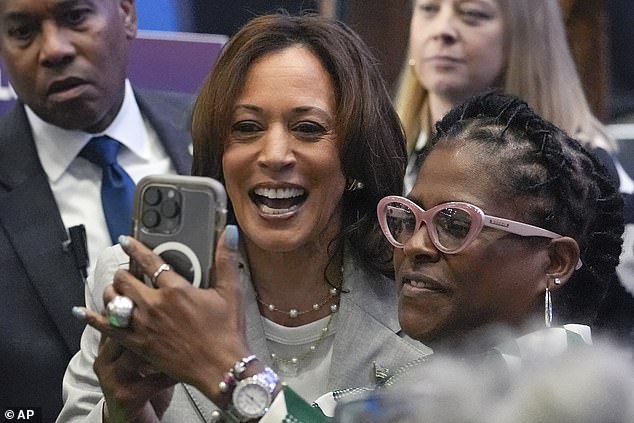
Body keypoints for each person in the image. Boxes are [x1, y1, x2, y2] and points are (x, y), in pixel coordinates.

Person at [70, 90, 626, 423]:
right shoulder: (412, 393)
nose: (413, 246)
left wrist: (225, 368)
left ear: (554, 261)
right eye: (408, 219)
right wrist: (130, 409)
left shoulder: (580, 392)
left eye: (454, 225)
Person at [58, 13, 429, 422]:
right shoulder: (138, 284)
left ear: (356, 157)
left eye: (307, 128)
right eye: (247, 127)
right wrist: (124, 412)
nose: (273, 155)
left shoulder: (419, 299)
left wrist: (225, 369)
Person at [395, 0, 634, 344]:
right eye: (429, 9)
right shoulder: (385, 162)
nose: (442, 30)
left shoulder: (592, 179)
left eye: (472, 14)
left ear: (527, 38)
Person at [0, 0, 193, 420]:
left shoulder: (220, 135)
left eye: (74, 17)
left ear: (126, 13)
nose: (53, 49)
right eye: (22, 31)